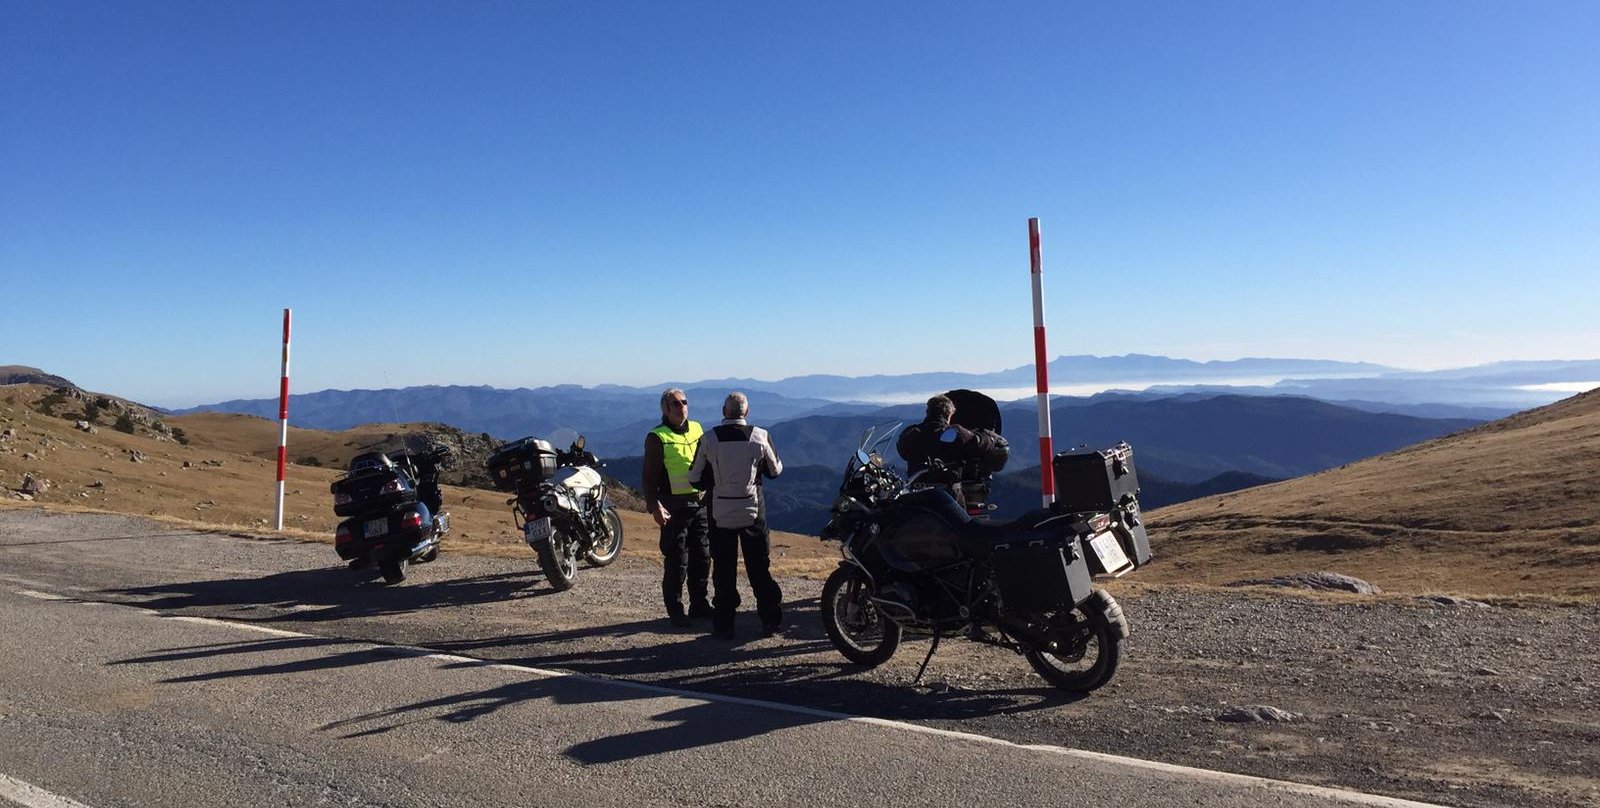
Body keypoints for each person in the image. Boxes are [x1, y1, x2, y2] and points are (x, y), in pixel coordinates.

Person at [688, 391, 784, 639]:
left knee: (723, 568)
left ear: (723, 412)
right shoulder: (760, 436)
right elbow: (775, 471)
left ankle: (724, 625)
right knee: (759, 566)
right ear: (747, 413)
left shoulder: (709, 438)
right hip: (753, 509)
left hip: (719, 510)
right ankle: (770, 620)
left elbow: (694, 477)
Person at [642, 388, 712, 628]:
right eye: (675, 403)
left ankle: (700, 604)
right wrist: (655, 507)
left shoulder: (697, 428)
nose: (682, 406)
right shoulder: (657, 437)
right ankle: (675, 610)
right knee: (677, 561)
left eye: (684, 402)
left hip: (699, 503)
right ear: (665, 409)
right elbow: (649, 478)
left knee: (702, 557)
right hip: (674, 507)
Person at [895, 394, 1000, 504]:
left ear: (928, 412)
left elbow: (903, 452)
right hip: (949, 497)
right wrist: (988, 436)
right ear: (949, 414)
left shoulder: (911, 433)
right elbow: (981, 443)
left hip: (917, 496)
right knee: (959, 521)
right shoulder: (955, 433)